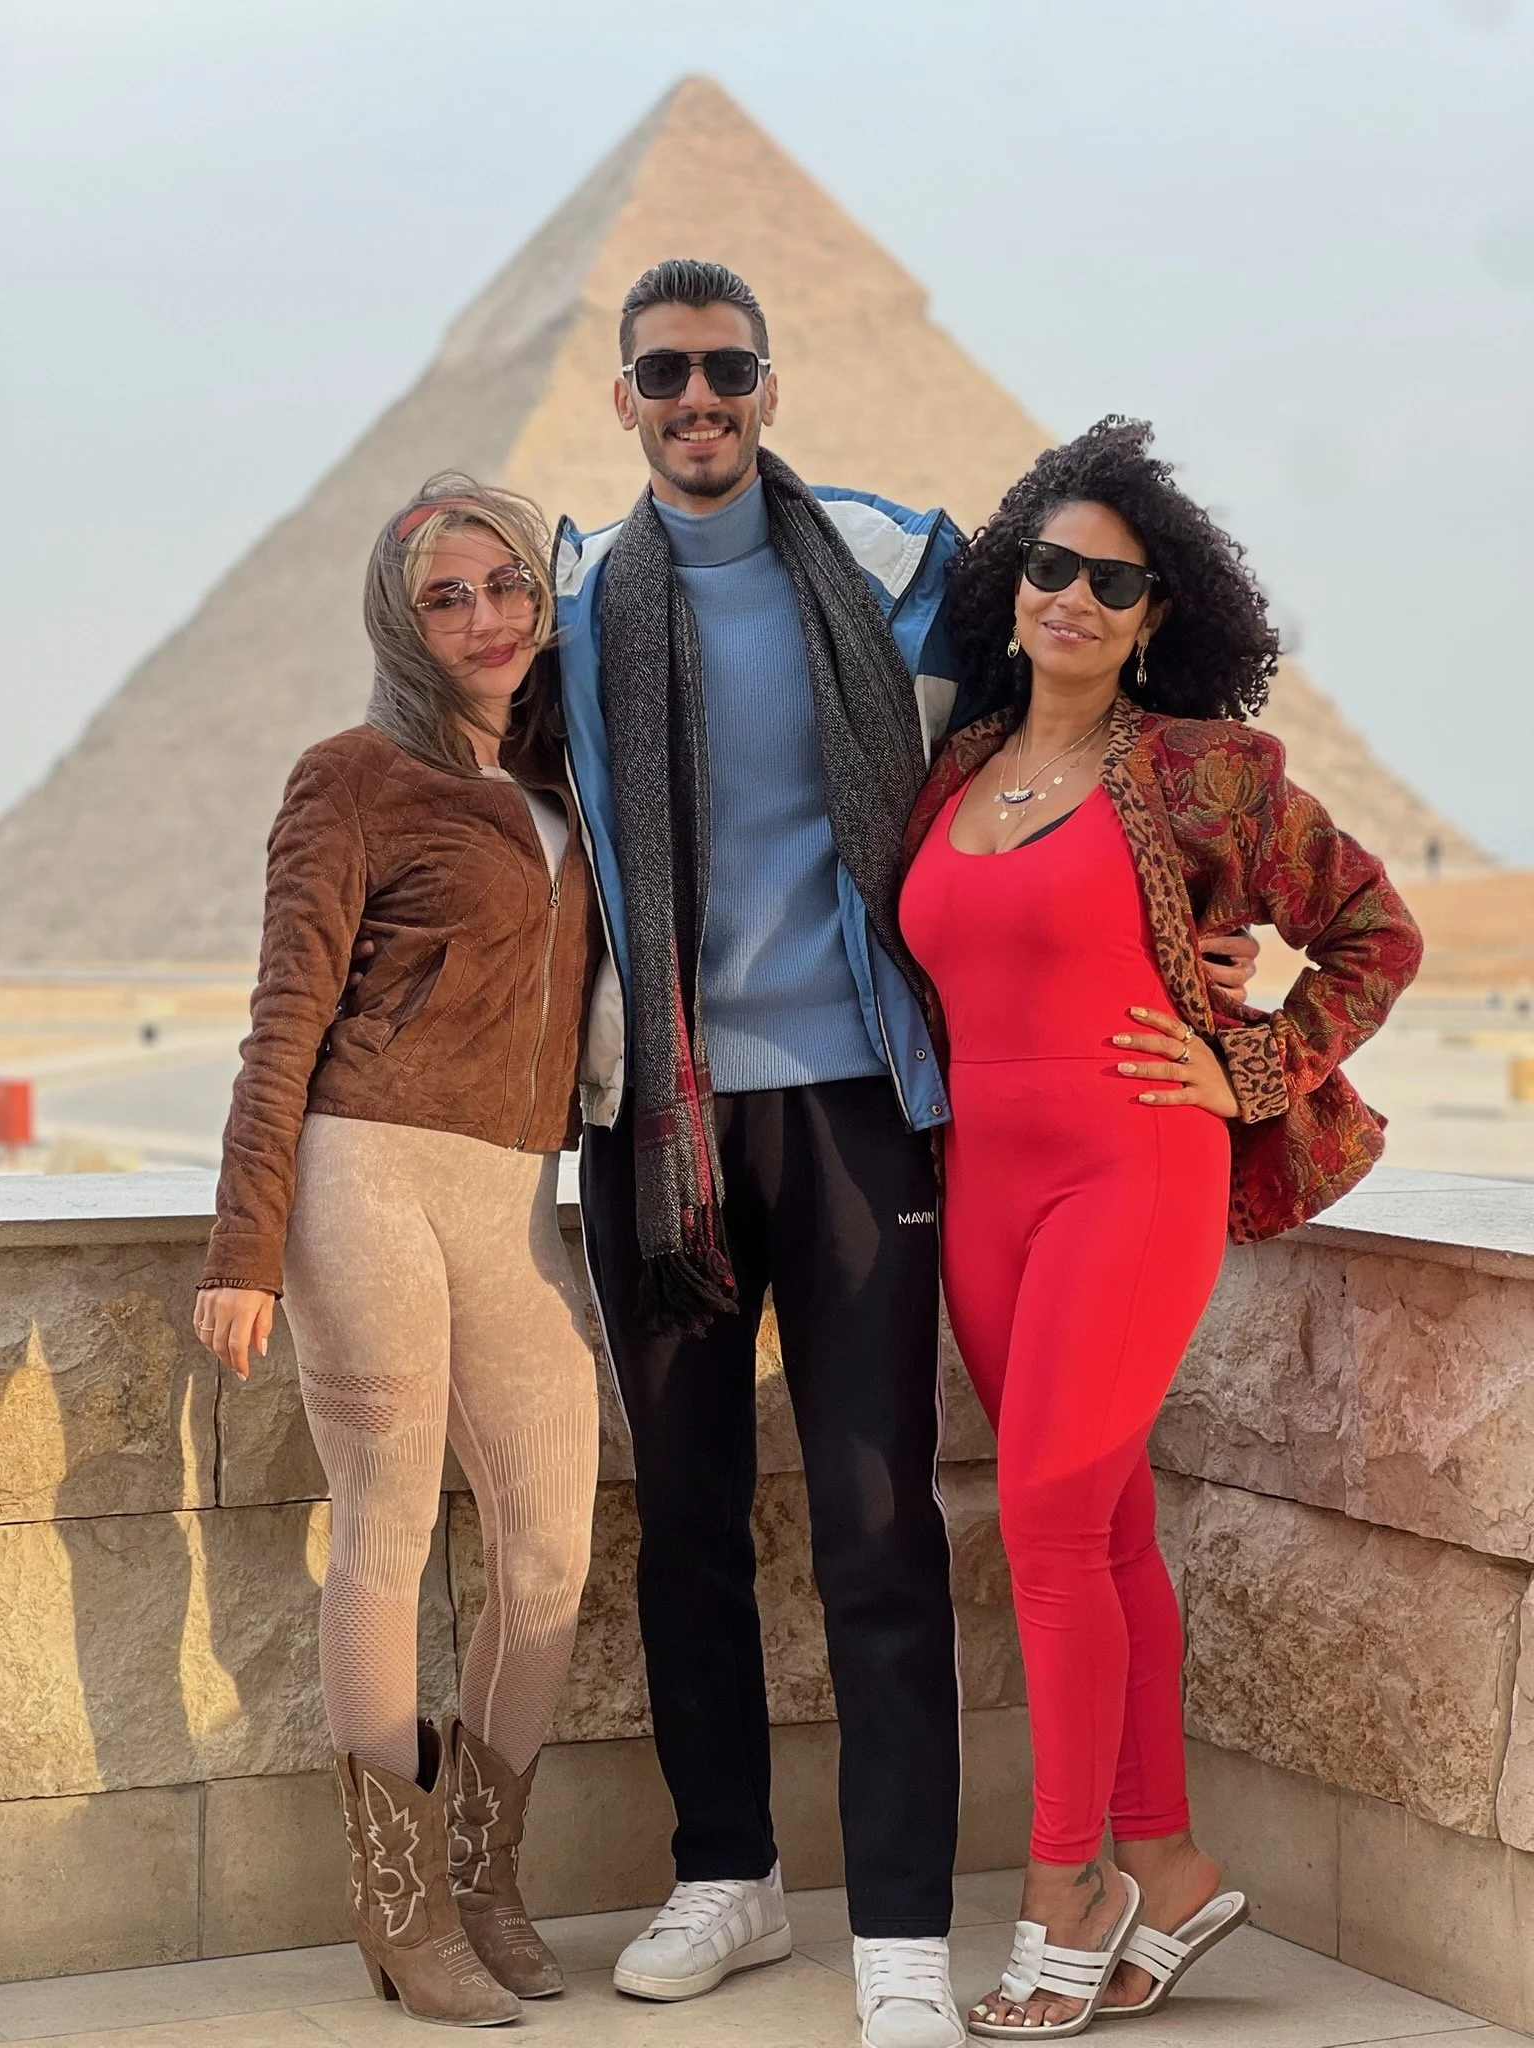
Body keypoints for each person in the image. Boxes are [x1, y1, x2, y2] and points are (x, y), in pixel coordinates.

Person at [553, 265, 1261, 2048]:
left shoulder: (893, 560)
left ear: (770, 385)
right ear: (622, 394)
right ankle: (726, 1874)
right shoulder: (568, 599)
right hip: (664, 1115)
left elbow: (1090, 678)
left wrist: (1224, 949)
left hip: (865, 1097)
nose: (697, 399)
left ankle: (890, 1933)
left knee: (880, 1520)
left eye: (726, 370)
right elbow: (474, 770)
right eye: (665, 374)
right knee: (689, 1515)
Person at [899, 417, 1423, 2037]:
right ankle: (1177, 1868)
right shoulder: (955, 767)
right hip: (984, 1190)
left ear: (1153, 614)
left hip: (1135, 1170)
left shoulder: (1206, 775)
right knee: (1104, 1526)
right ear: (1009, 585)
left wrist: (1247, 1058)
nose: (1072, 594)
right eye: (1048, 563)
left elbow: (1373, 932)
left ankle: (1070, 1886)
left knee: (1048, 1526)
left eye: (1110, 581)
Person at [194, 475, 601, 2028]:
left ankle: (485, 1877)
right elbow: (285, 1015)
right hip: (363, 1176)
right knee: (387, 1528)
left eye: (507, 584)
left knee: (550, 1548)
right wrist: (245, 1246)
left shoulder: (574, 781)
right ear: (401, 618)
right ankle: (400, 1909)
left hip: (518, 1196)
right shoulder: (352, 776)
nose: (487, 617)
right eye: (447, 596)